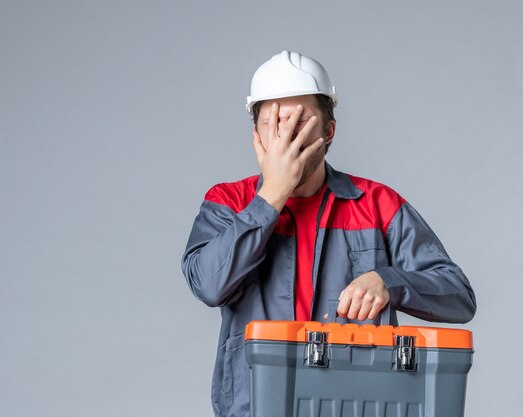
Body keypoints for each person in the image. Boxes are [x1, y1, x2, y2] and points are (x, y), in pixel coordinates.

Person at [181, 50, 476, 417]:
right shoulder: (229, 202)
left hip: (356, 405)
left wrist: (389, 281)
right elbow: (208, 284)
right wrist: (271, 195)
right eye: (274, 124)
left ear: (328, 132)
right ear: (256, 135)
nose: (287, 138)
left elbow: (459, 296)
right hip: (257, 406)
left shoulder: (378, 204)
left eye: (301, 124)